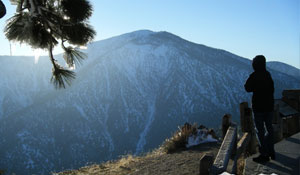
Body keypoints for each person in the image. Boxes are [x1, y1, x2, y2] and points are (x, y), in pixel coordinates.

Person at [244, 55, 275, 163]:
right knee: (269, 129)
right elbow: (272, 89)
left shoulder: (254, 76)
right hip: (269, 107)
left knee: (260, 131)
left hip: (258, 108)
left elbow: (247, 88)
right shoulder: (268, 75)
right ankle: (271, 151)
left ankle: (264, 154)